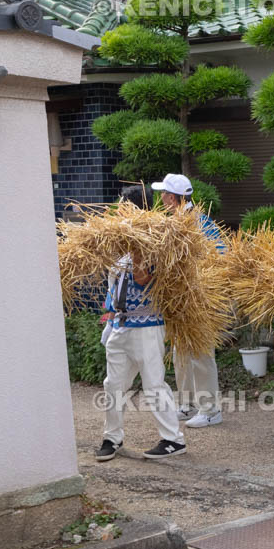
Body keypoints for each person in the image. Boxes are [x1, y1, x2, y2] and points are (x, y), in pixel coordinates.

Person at [96, 185, 186, 461]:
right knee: (113, 384)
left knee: (154, 384)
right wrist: (109, 320)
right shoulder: (123, 244)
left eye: (123, 206)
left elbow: (144, 278)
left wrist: (135, 241)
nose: (118, 210)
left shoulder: (153, 241)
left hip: (147, 325)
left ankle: (173, 439)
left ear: (136, 209)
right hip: (121, 326)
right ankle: (112, 438)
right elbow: (114, 287)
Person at [151, 174, 226, 429]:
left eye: (163, 193)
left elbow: (221, 257)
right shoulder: (179, 221)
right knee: (181, 352)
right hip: (182, 298)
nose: (161, 197)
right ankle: (187, 404)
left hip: (200, 298)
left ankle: (210, 409)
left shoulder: (198, 222)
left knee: (200, 352)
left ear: (172, 198)